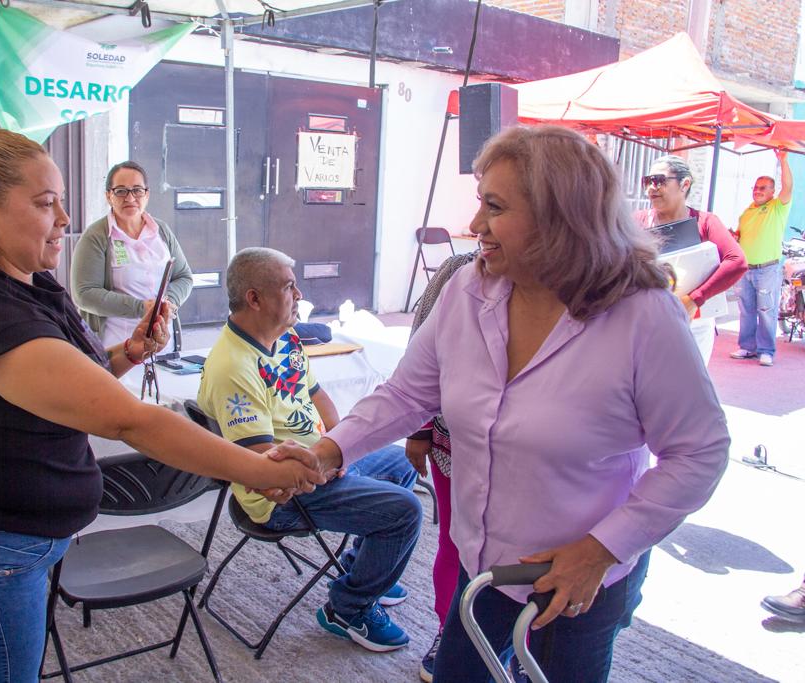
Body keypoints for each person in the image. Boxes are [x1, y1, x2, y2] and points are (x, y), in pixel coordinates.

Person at [302, 126, 730, 681]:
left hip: (578, 581)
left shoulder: (642, 316)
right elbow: (409, 393)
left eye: (495, 207)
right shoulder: (466, 291)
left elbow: (700, 453)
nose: (475, 225)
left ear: (561, 219)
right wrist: (329, 450)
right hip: (484, 568)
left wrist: (601, 549)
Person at [0, 122, 327, 682]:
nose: (64, 220)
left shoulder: (30, 284)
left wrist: (129, 352)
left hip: (5, 538)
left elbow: (77, 385)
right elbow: (130, 419)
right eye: (46, 204)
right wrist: (256, 467)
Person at [197, 247, 423, 653]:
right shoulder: (233, 366)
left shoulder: (285, 338)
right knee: (406, 511)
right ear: (254, 298)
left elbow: (318, 398)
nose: (299, 294)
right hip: (283, 494)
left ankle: (362, 571)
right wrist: (326, 468)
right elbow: (261, 462)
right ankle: (348, 608)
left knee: (399, 461)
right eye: (288, 286)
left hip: (317, 464)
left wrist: (343, 449)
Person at [403, 251, 475, 682]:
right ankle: (450, 632)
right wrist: (419, 427)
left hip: (536, 463)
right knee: (456, 542)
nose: (478, 221)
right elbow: (419, 358)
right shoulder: (457, 271)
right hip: (454, 445)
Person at [634, 154, 747, 363]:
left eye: (658, 180)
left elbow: (737, 261)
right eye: (647, 181)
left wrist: (695, 299)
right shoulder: (637, 221)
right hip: (647, 322)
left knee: (687, 389)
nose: (651, 187)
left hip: (694, 325)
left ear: (684, 184)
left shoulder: (705, 222)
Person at [71, 161, 193, 348]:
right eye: (121, 191)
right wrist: (142, 308)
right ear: (108, 196)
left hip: (163, 347)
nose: (130, 198)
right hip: (115, 348)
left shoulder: (162, 231)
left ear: (147, 194)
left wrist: (167, 303)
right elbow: (84, 294)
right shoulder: (96, 237)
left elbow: (183, 276)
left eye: (137, 190)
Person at [731, 149, 793, 366]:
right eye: (755, 188)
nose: (757, 191)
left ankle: (766, 350)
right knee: (746, 309)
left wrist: (783, 160)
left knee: (766, 310)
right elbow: (741, 236)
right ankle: (747, 347)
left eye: (763, 188)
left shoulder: (777, 207)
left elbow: (788, 187)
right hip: (746, 269)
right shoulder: (748, 211)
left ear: (772, 191)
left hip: (767, 268)